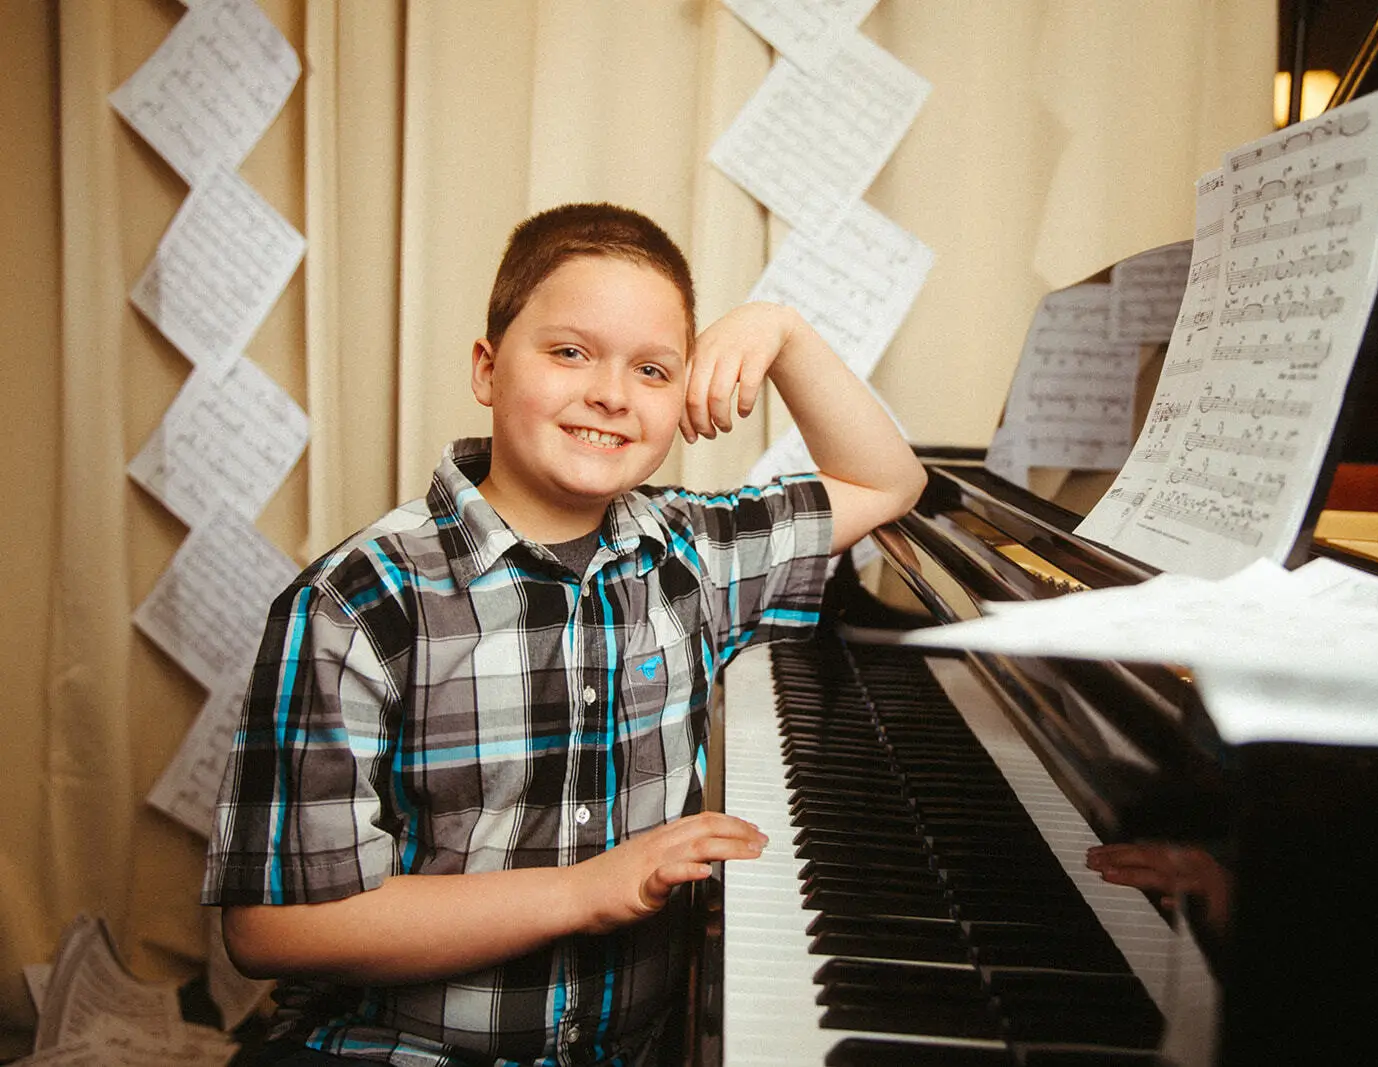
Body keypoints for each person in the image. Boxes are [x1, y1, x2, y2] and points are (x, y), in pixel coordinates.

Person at [201, 202, 926, 1066]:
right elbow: (271, 927)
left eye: (654, 370)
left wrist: (785, 332)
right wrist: (585, 892)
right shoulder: (358, 602)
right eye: (570, 351)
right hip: (398, 1048)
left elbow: (889, 482)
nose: (612, 394)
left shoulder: (695, 552)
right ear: (487, 367)